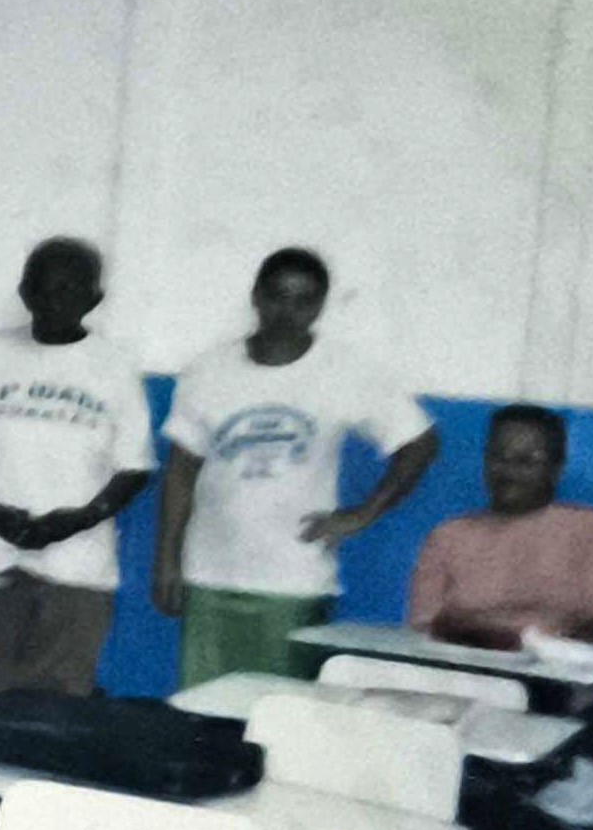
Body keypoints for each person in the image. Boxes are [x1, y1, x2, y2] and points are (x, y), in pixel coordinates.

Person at [153, 247, 439, 684]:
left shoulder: (345, 371)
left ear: (320, 306)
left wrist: (364, 512)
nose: (287, 311)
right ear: (256, 297)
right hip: (209, 575)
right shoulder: (208, 370)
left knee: (281, 718)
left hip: (294, 580)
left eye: (303, 300)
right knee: (201, 715)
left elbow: (419, 441)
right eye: (277, 296)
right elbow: (180, 471)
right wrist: (167, 559)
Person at [0, 238, 156, 696]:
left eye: (70, 289)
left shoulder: (115, 365)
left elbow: (135, 468)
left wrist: (76, 520)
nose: (55, 301)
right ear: (24, 291)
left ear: (94, 298)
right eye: (44, 288)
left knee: (53, 709)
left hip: (75, 566)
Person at [406, 404, 593, 649]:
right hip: (463, 671)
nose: (509, 471)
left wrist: (553, 655)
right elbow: (425, 627)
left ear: (556, 469)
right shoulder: (447, 537)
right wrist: (505, 647)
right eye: (499, 457)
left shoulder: (588, 529)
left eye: (526, 460)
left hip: (557, 673)